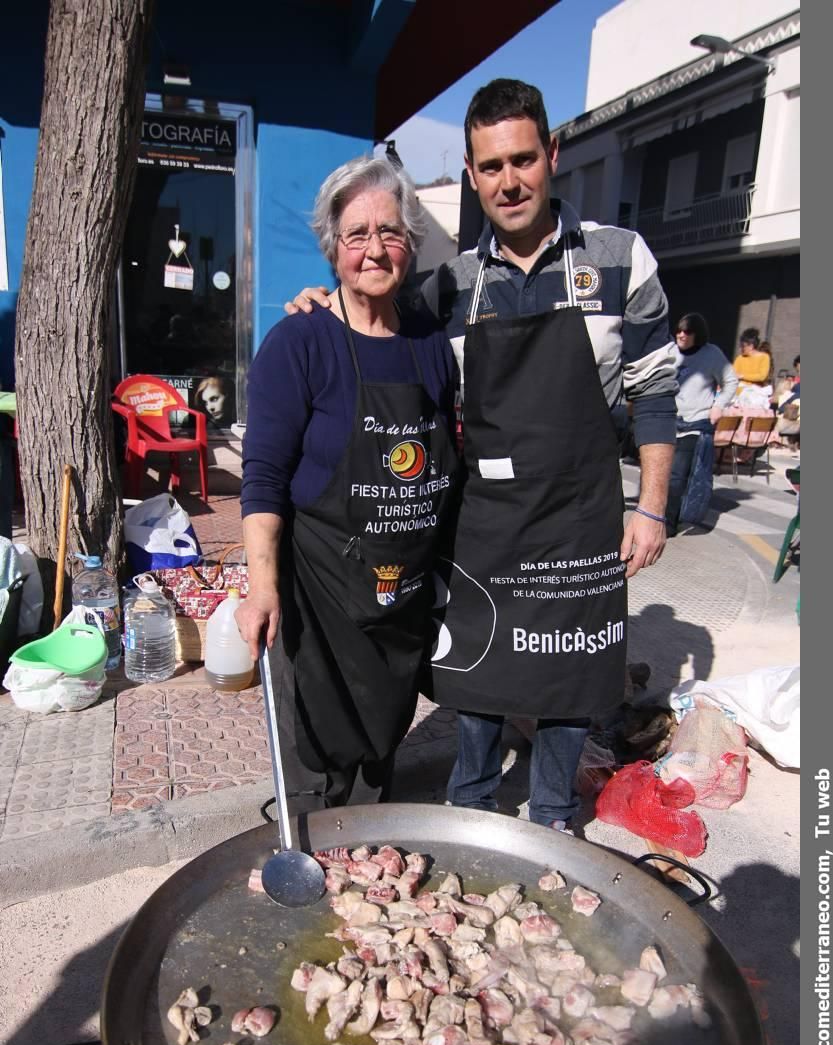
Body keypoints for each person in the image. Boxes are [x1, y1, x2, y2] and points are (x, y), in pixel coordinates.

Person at [285, 79, 677, 832]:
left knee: (572, 667)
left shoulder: (619, 258)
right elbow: (372, 314)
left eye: (523, 160)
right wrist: (320, 304)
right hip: (486, 519)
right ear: (471, 174)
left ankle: (557, 814)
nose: (509, 180)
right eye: (491, 166)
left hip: (582, 513)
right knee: (479, 670)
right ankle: (470, 810)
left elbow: (654, 392)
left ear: (551, 156)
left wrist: (651, 504)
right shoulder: (449, 286)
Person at [236, 155, 459, 807]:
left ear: (410, 244)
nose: (373, 249)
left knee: (378, 760)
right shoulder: (298, 342)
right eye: (356, 234)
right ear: (332, 249)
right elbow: (263, 479)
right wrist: (263, 590)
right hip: (320, 604)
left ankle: (369, 882)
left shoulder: (429, 343)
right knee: (319, 767)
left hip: (399, 602)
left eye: (388, 232)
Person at [666, 313, 738, 536]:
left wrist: (718, 406)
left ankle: (669, 521)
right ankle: (657, 514)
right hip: (667, 419)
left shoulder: (711, 354)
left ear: (698, 334)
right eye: (679, 330)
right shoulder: (669, 352)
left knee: (678, 475)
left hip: (694, 422)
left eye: (687, 331)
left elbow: (730, 380)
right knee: (660, 472)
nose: (681, 334)